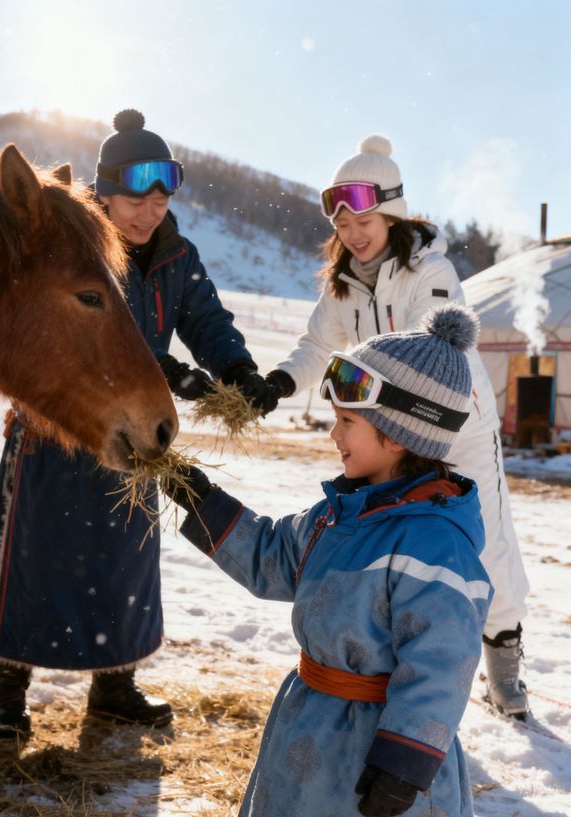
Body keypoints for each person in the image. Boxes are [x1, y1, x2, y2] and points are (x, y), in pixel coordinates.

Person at [0, 108, 280, 737]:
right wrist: (167, 370)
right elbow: (97, 330)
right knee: (30, 558)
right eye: (136, 196)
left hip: (128, 435)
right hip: (54, 426)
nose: (149, 210)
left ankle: (115, 685)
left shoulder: (176, 256)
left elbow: (208, 321)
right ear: (104, 191)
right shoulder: (76, 245)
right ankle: (6, 696)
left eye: (162, 196)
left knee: (124, 563)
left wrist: (238, 371)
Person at [164, 304, 492, 817]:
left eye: (347, 421)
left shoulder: (434, 543)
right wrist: (203, 503)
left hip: (375, 754)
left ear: (401, 433)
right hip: (308, 725)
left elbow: (443, 662)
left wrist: (404, 763)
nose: (334, 435)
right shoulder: (337, 516)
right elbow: (271, 556)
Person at [264, 134, 530, 718]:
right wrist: (281, 382)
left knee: (485, 541)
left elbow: (421, 348)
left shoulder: (428, 272)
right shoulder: (343, 285)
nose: (353, 232)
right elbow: (316, 343)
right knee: (394, 546)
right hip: (388, 436)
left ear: (392, 212)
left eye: (365, 217)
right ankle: (400, 669)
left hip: (454, 426)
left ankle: (503, 656)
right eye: (342, 221)